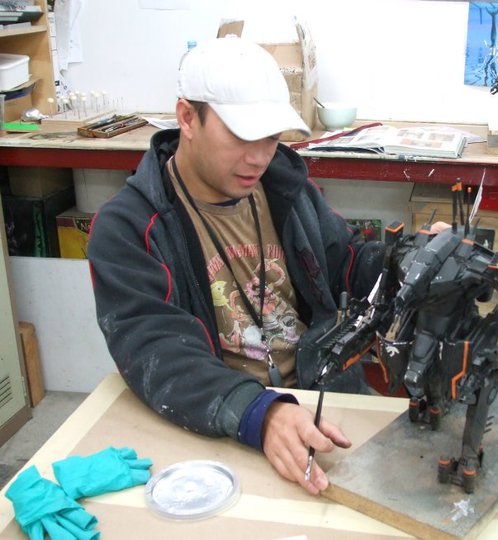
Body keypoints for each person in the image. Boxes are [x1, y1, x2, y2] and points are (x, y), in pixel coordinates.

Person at [87, 36, 385, 495]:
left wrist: (405, 261)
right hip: (223, 420)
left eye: (272, 137)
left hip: (326, 400)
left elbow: (345, 261)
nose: (259, 157)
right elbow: (156, 351)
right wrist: (260, 413)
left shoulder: (286, 191)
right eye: (242, 136)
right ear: (188, 117)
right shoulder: (128, 228)